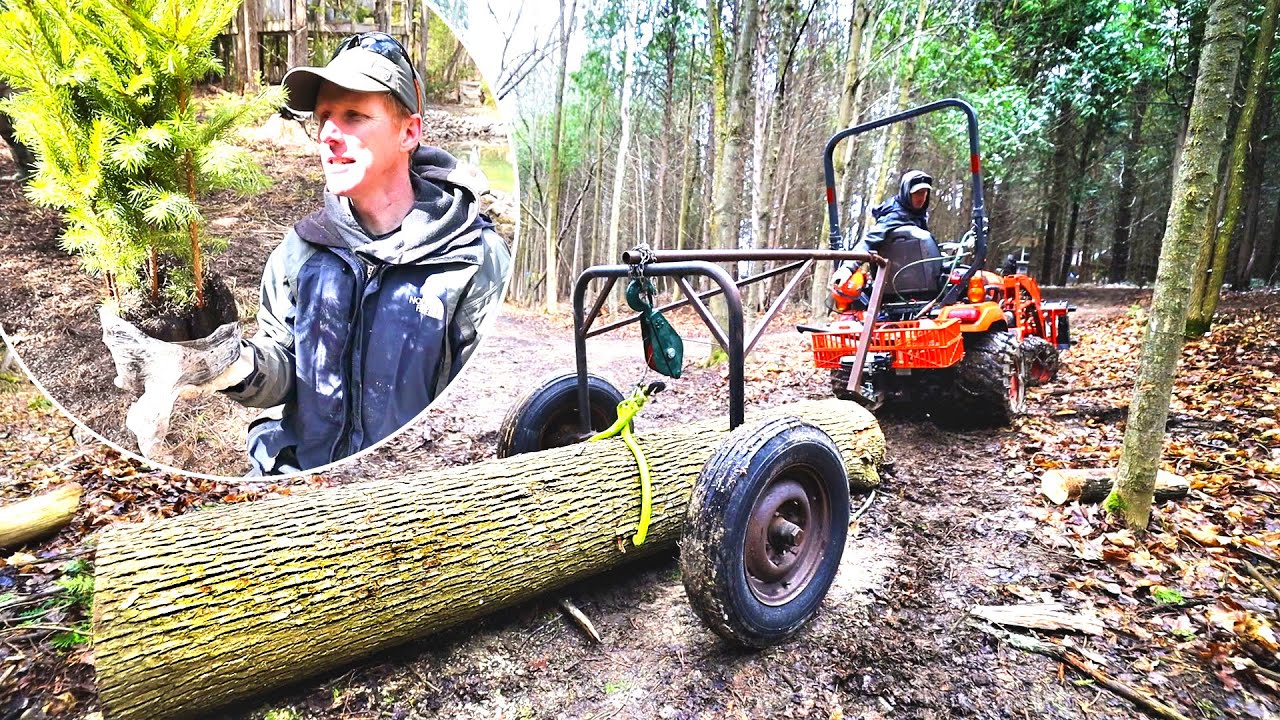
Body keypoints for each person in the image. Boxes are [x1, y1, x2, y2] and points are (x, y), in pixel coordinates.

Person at [197, 32, 510, 475]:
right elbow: (285, 371)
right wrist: (228, 363)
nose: (328, 134)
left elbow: (476, 419)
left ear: (409, 132)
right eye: (324, 116)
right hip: (296, 480)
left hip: (404, 490)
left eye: (354, 116)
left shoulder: (472, 262)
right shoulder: (302, 251)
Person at [831, 169, 933, 287]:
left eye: (924, 192)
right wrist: (847, 268)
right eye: (917, 193)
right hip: (893, 280)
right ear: (907, 193)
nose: (921, 197)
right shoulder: (894, 216)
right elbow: (868, 241)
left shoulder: (919, 216)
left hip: (914, 278)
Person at [0, 80, 38, 182]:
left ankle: (42, 171)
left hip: (11, 82)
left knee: (26, 127)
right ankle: (26, 170)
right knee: (8, 134)